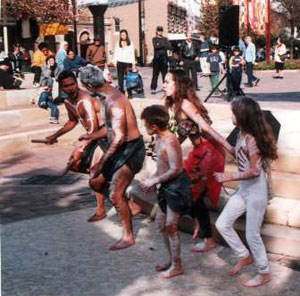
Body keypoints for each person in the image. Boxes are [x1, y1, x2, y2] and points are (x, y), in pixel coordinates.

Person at [79, 65, 146, 250]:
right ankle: (130, 207)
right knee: (95, 182)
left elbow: (119, 138)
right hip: (120, 149)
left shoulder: (114, 101)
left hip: (130, 151)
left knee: (115, 193)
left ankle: (128, 236)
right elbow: (109, 129)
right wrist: (91, 136)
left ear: (90, 86)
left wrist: (102, 162)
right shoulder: (106, 97)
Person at [215, 97, 277, 288]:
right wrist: (215, 136)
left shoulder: (251, 139)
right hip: (245, 189)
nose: (231, 115)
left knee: (252, 234)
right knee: (222, 223)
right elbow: (237, 152)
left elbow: (254, 171)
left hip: (256, 190)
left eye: (233, 112)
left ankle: (264, 272)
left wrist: (228, 176)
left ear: (241, 115)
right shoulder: (242, 134)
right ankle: (244, 256)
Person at [163, 70, 226, 253]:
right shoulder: (175, 104)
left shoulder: (185, 104)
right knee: (191, 193)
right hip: (201, 151)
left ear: (179, 84)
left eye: (168, 82)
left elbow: (208, 129)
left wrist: (231, 149)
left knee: (191, 191)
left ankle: (206, 235)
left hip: (209, 152)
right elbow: (183, 134)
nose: (163, 85)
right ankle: (204, 230)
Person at [45, 70, 109, 222]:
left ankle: (101, 208)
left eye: (72, 84)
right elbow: (72, 121)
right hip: (93, 137)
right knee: (75, 165)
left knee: (93, 173)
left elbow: (93, 129)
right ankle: (106, 178)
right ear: (61, 87)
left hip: (105, 136)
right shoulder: (68, 101)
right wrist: (55, 135)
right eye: (66, 86)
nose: (70, 88)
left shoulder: (85, 100)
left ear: (76, 82)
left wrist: (81, 149)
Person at [139, 105, 191, 279]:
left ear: (153, 126)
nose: (144, 127)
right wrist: (153, 179)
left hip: (176, 187)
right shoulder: (159, 138)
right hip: (166, 186)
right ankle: (172, 260)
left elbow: (176, 169)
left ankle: (177, 265)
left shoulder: (169, 140)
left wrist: (154, 180)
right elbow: (162, 166)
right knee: (161, 225)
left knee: (170, 225)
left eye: (146, 124)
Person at [38, 56, 62, 124]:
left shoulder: (58, 68)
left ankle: (53, 118)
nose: (52, 62)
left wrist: (56, 78)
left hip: (52, 91)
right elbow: (46, 75)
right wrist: (48, 68)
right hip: (45, 86)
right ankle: (42, 101)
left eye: (53, 60)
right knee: (44, 92)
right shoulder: (44, 67)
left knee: (54, 107)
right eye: (50, 61)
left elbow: (59, 76)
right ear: (47, 62)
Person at [113, 29, 136, 99]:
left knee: (129, 79)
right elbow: (116, 53)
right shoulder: (118, 43)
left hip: (128, 63)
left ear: (126, 35)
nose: (123, 36)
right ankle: (121, 93)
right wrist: (114, 61)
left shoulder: (130, 43)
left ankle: (130, 93)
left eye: (124, 35)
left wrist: (133, 63)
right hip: (120, 62)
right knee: (120, 79)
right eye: (121, 35)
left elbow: (132, 53)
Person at [150, 26, 172, 94]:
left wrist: (161, 45)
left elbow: (169, 47)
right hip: (156, 59)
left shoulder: (165, 39)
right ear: (157, 31)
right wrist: (163, 45)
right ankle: (153, 88)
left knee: (164, 75)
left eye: (161, 31)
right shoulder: (154, 39)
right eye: (159, 31)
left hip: (164, 59)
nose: (160, 32)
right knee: (155, 74)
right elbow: (156, 46)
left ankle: (165, 88)